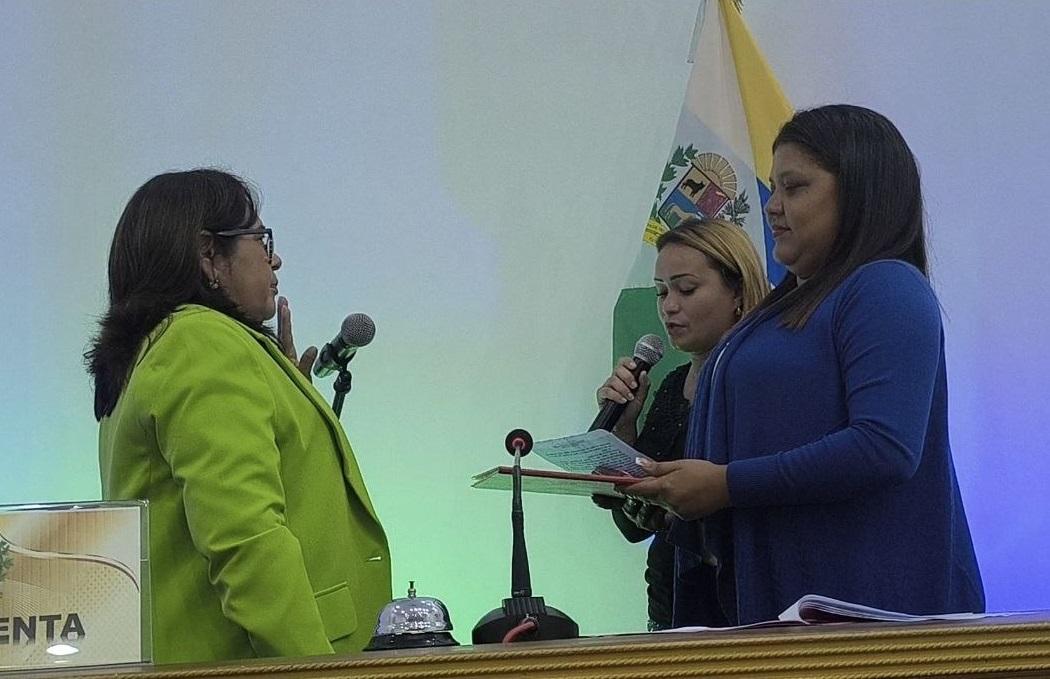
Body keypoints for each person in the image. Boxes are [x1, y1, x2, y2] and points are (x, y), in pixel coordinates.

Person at [624, 105, 985, 626]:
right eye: (774, 188)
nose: (773, 207)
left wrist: (725, 484)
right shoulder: (790, 304)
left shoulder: (885, 287)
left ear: (860, 191)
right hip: (779, 608)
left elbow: (883, 447)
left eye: (794, 188)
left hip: (861, 616)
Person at [85, 169, 391, 663]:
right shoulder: (200, 343)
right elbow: (247, 541)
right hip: (256, 663)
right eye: (260, 239)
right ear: (209, 255)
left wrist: (288, 394)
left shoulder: (160, 349)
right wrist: (316, 669)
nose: (275, 259)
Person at [594, 216, 769, 630]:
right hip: (669, 607)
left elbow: (768, 500)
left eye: (686, 289)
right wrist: (623, 428)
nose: (669, 306)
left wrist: (682, 515)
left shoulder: (760, 378)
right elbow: (632, 527)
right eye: (661, 292)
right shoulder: (674, 383)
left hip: (738, 612)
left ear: (738, 290)